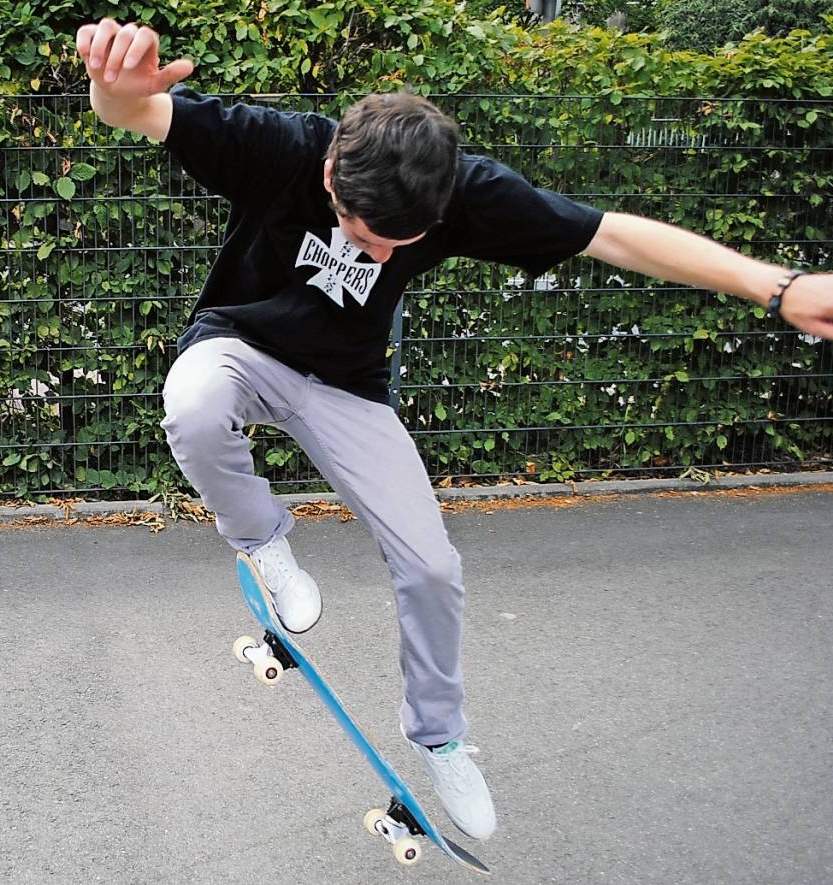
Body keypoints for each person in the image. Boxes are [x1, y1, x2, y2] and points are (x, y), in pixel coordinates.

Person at [75, 18, 833, 842]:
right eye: (356, 228)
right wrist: (111, 90)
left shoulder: (467, 194)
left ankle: (437, 732)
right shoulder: (285, 146)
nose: (366, 248)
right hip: (242, 350)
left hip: (349, 391)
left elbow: (611, 234)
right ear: (332, 171)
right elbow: (140, 112)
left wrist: (776, 287)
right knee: (189, 400)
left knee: (433, 566)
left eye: (390, 242)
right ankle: (262, 539)